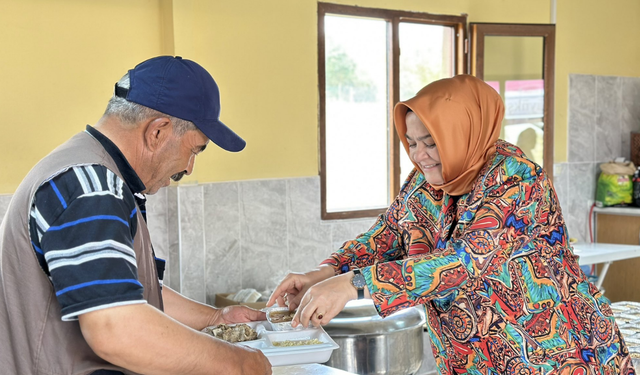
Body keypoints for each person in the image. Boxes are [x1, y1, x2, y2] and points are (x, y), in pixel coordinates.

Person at [268, 75, 636, 374]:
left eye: (431, 142)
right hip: (471, 357)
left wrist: (354, 285)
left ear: (463, 132)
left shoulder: (517, 180)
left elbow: (464, 263)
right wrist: (325, 271)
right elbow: (389, 232)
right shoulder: (426, 181)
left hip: (552, 355)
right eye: (411, 142)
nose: (419, 155)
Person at [0, 56, 272, 375]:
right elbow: (116, 329)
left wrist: (215, 319)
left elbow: (122, 291)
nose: (189, 167)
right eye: (195, 150)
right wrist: (239, 363)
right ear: (157, 132)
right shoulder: (91, 188)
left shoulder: (89, 173)